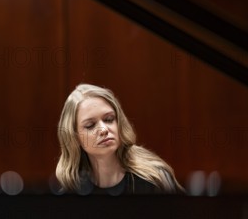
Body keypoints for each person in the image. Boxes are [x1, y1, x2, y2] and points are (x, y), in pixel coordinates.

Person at [56, 83, 184, 195]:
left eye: (109, 119)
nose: (104, 129)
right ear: (75, 137)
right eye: (90, 125)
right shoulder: (70, 193)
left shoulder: (155, 179)